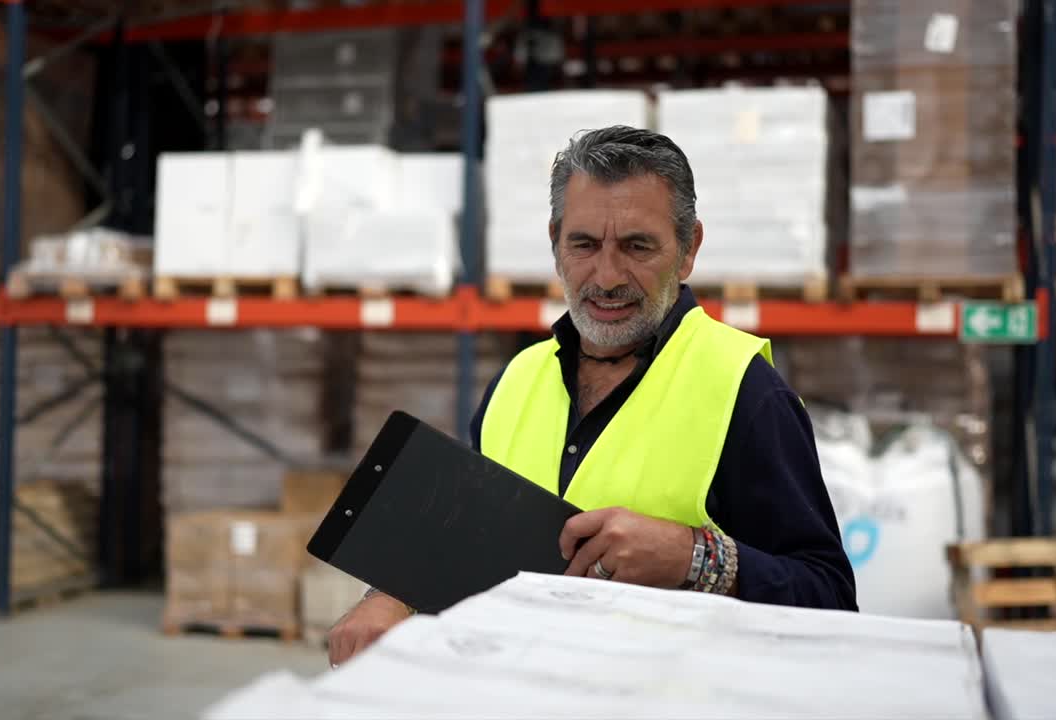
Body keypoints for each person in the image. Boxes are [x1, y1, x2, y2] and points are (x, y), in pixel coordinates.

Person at [327, 125, 856, 666]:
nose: (606, 277)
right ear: (556, 241)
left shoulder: (744, 391)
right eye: (584, 244)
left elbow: (831, 600)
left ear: (688, 249)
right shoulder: (515, 382)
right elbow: (464, 543)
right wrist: (389, 598)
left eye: (637, 246)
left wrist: (693, 558)